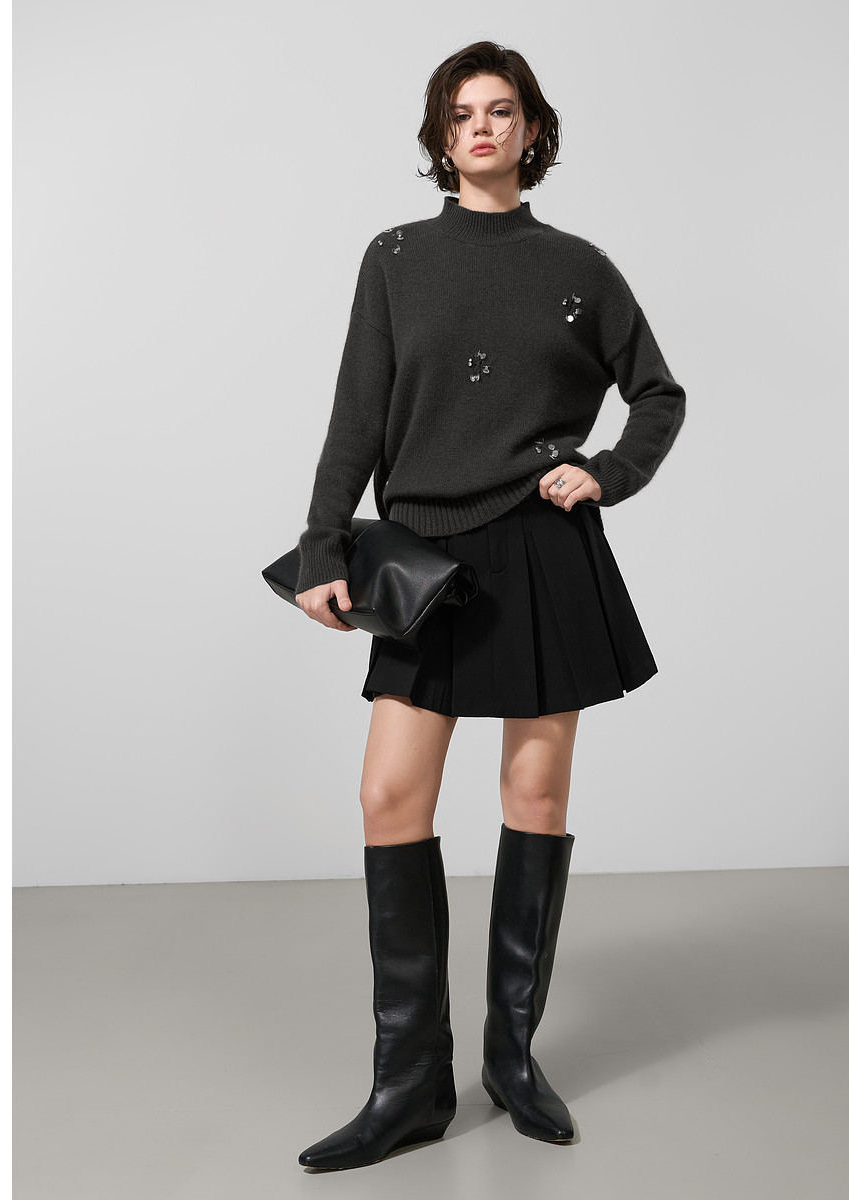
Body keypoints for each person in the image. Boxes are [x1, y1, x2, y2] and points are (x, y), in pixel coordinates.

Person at [291, 41, 686, 1171]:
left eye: (501, 110)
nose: (480, 127)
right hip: (424, 557)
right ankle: (410, 1082)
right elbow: (357, 413)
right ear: (440, 135)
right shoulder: (396, 257)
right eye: (461, 113)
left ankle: (511, 1059)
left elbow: (657, 392)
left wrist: (606, 472)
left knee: (535, 791)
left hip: (540, 550)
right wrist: (324, 544)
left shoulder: (578, 266)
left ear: (531, 130)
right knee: (388, 794)